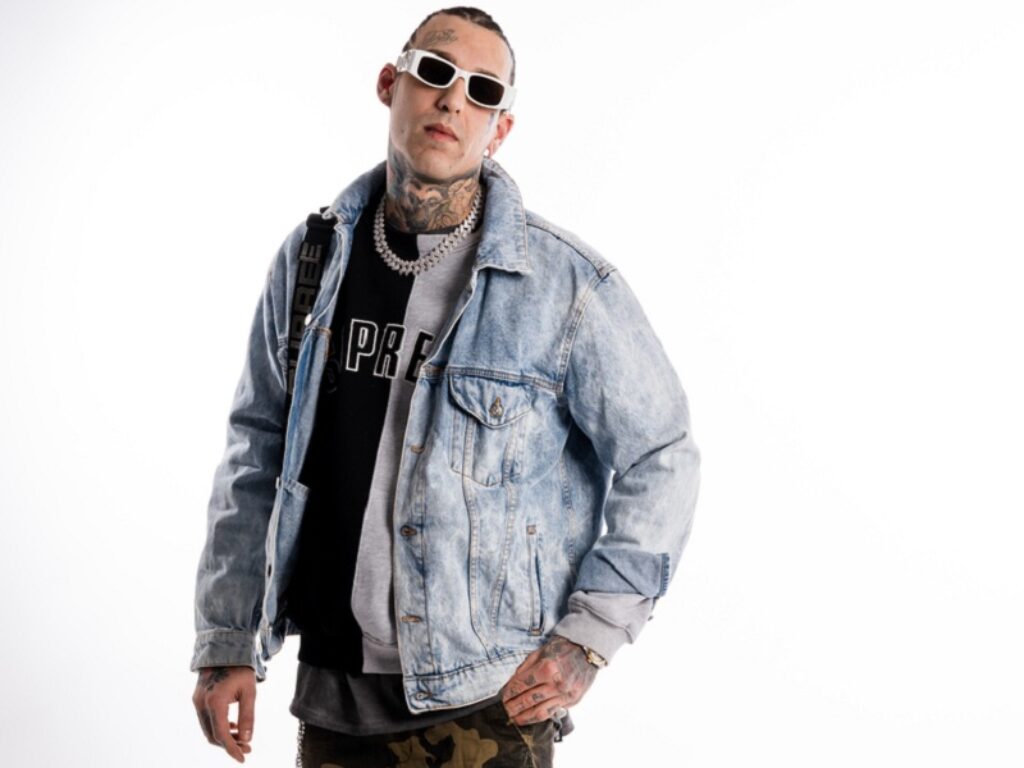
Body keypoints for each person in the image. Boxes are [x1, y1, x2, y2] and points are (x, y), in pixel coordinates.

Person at [191, 7, 700, 766]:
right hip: (332, 695)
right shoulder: (312, 261)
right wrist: (228, 638)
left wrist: (590, 635)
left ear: (500, 128)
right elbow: (257, 450)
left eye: (483, 90)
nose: (453, 99)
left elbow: (663, 455)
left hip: (488, 702)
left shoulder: (564, 286)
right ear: (389, 83)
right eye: (435, 71)